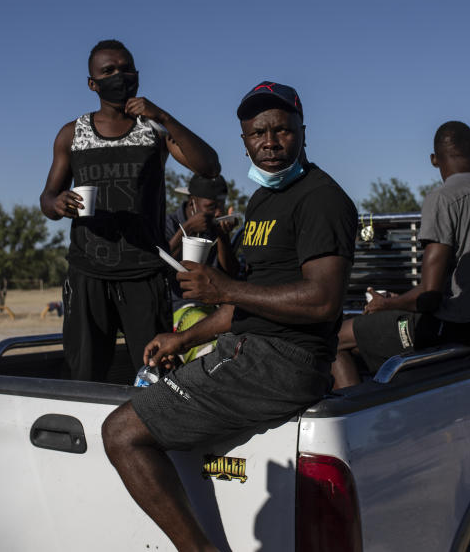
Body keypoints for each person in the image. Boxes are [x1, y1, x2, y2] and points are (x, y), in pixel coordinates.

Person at [100, 81, 358, 550]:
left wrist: (222, 287)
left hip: (281, 361)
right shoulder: (262, 202)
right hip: (252, 350)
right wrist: (182, 338)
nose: (271, 142)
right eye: (258, 133)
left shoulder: (320, 198)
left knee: (120, 433)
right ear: (244, 140)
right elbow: (249, 302)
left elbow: (323, 300)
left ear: (302, 130)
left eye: (282, 130)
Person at [40, 39, 220, 384]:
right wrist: (58, 204)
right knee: (84, 376)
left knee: (155, 377)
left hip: (145, 275)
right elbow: (47, 197)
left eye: (126, 68)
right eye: (108, 71)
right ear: (93, 84)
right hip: (88, 273)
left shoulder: (153, 130)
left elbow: (209, 167)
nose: (119, 76)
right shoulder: (71, 134)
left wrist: (162, 115)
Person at [331, 121, 470, 388]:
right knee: (368, 338)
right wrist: (401, 300)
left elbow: (430, 296)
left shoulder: (444, 197)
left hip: (454, 330)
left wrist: (384, 305)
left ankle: (354, 421)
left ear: (434, 159)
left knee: (333, 340)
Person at [165, 174, 241, 311]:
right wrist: (187, 229)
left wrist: (223, 236)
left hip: (214, 305)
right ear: (192, 202)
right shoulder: (169, 224)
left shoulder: (215, 227)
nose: (218, 213)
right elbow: (160, 265)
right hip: (178, 306)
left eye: (221, 206)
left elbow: (230, 274)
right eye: (211, 207)